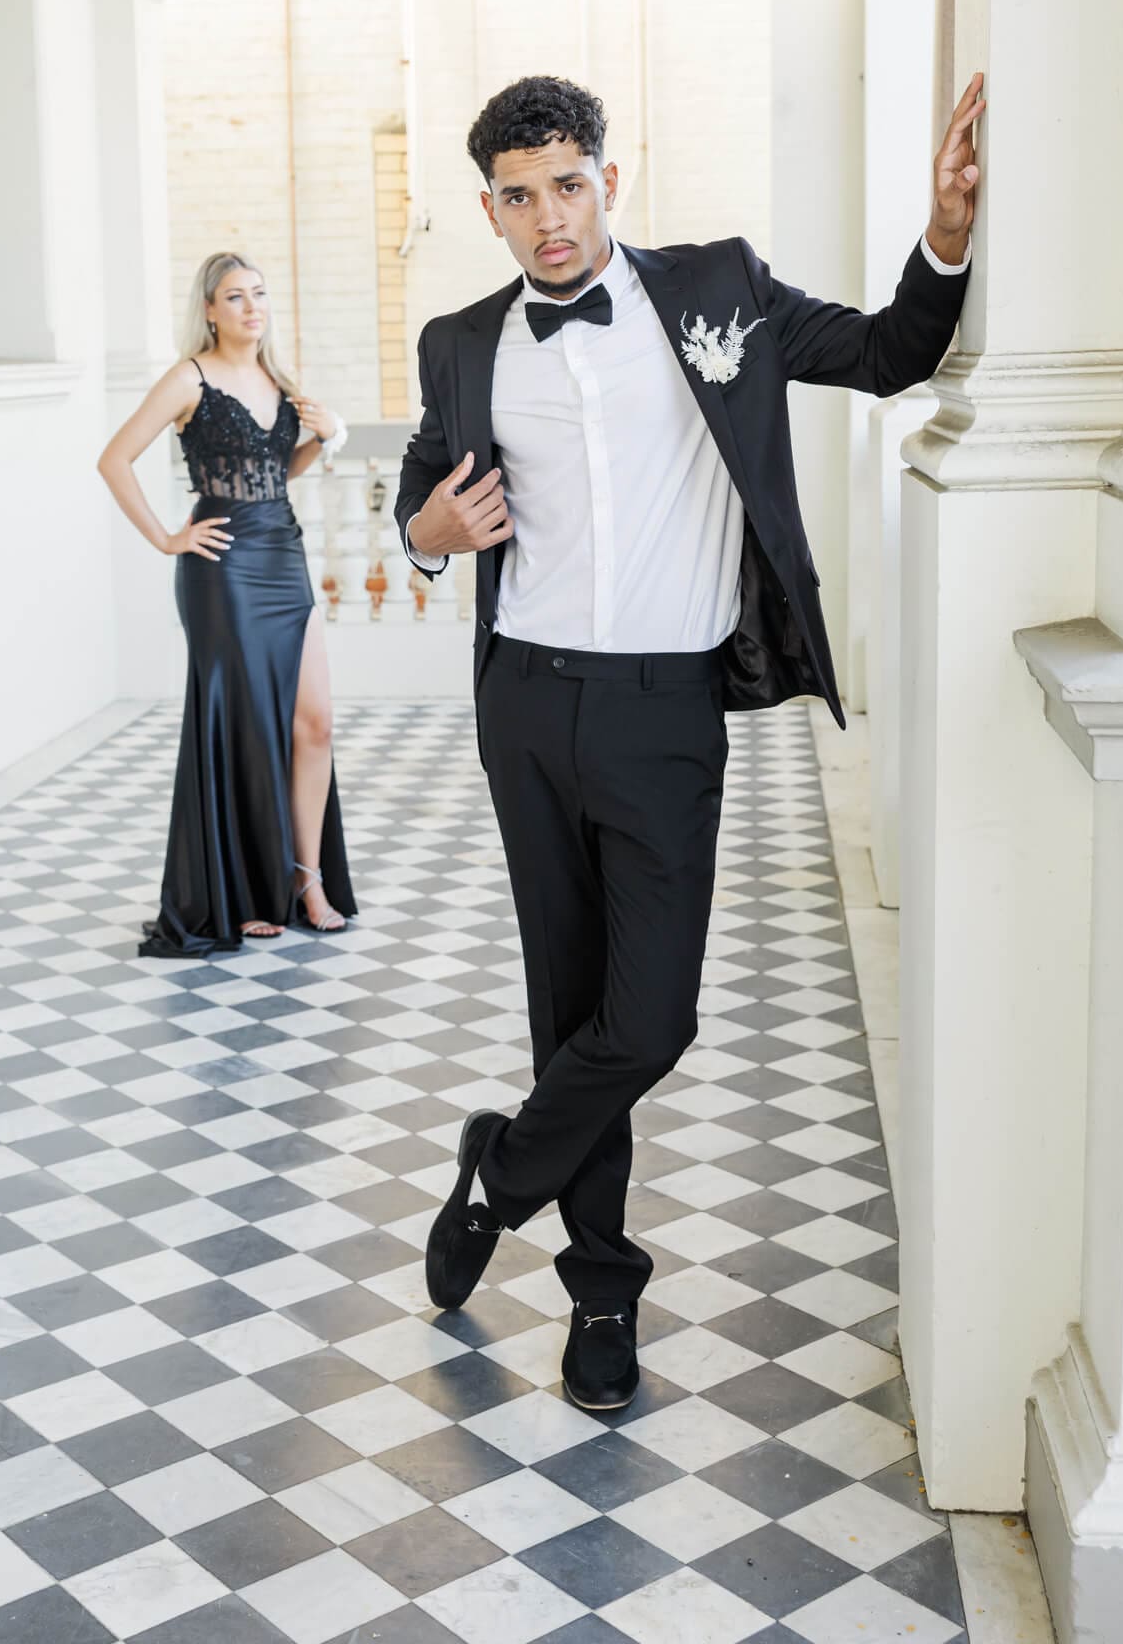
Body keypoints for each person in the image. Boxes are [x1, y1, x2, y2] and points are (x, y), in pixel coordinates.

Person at [396, 71, 983, 1411]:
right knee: (571, 1006)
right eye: (518, 197)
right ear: (490, 210)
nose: (548, 219)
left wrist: (946, 231)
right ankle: (600, 1294)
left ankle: (504, 1173)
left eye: (568, 184)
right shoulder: (459, 341)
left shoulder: (719, 292)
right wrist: (426, 534)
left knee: (647, 1017)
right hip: (528, 706)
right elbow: (421, 485)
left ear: (613, 176)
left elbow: (892, 354)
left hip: (664, 713)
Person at [99, 250, 355, 954]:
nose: (251, 306)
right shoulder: (190, 377)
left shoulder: (276, 377)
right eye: (235, 296)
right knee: (244, 727)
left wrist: (328, 437)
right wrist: (165, 538)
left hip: (283, 555)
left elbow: (278, 468)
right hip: (224, 566)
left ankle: (307, 879)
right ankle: (244, 893)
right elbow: (113, 459)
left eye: (260, 294)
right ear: (209, 309)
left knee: (314, 723)